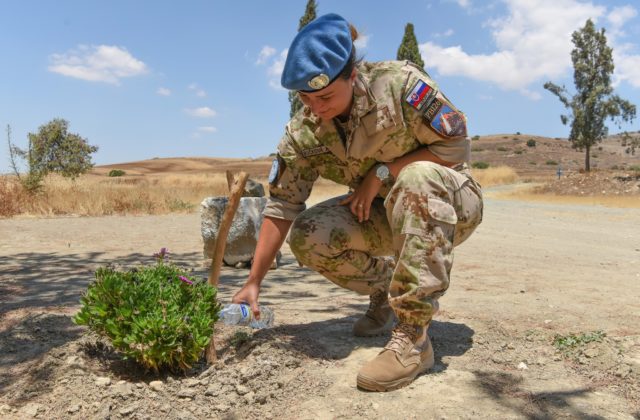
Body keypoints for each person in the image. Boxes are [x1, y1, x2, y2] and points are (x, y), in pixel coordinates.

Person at [232, 13, 483, 392]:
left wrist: (384, 171)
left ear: (352, 74)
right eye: (305, 98)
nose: (315, 107)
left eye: (325, 96)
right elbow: (282, 206)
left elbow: (455, 146)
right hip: (384, 213)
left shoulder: (399, 86)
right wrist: (254, 282)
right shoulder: (304, 131)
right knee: (309, 234)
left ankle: (413, 338)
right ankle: (385, 291)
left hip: (449, 201)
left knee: (415, 178)